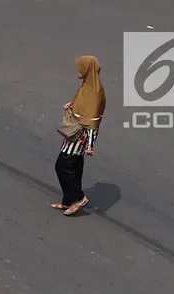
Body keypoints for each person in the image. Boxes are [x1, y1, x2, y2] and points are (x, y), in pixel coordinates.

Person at [52, 55, 105, 215]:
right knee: (74, 168)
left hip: (79, 138)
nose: (78, 70)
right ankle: (68, 201)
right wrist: (72, 105)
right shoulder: (87, 85)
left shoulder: (95, 92)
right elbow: (82, 106)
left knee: (62, 166)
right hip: (73, 135)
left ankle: (78, 198)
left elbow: (93, 121)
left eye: (81, 66)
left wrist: (90, 145)